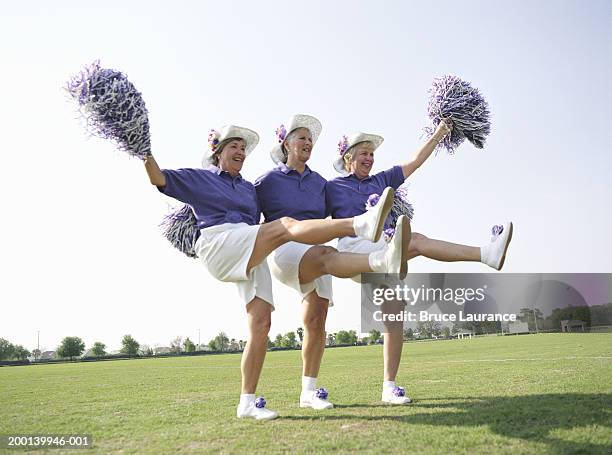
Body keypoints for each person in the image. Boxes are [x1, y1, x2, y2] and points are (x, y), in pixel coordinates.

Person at [143, 124, 404, 420]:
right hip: (221, 241)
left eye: (243, 148)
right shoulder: (202, 178)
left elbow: (261, 219)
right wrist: (143, 152)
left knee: (262, 323)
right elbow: (159, 178)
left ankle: (248, 402)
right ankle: (362, 226)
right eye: (234, 147)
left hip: (250, 244)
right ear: (217, 152)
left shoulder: (247, 188)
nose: (241, 152)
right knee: (283, 225)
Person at [326, 120, 513, 404]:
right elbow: (311, 220)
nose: (369, 157)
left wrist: (438, 134)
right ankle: (483, 254)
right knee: (414, 241)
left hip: (385, 248)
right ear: (348, 157)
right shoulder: (333, 187)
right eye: (363, 152)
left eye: (371, 153)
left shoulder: (382, 180)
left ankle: (389, 387)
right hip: (354, 250)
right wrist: (317, 277)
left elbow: (415, 162)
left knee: (394, 314)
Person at [255, 115, 410, 410]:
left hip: (316, 252)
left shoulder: (320, 184)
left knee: (316, 320)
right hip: (285, 251)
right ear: (286, 144)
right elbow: (247, 213)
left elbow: (337, 210)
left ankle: (308, 393)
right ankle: (382, 258)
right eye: (301, 137)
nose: (308, 143)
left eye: (311, 139)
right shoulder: (267, 181)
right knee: (328, 256)